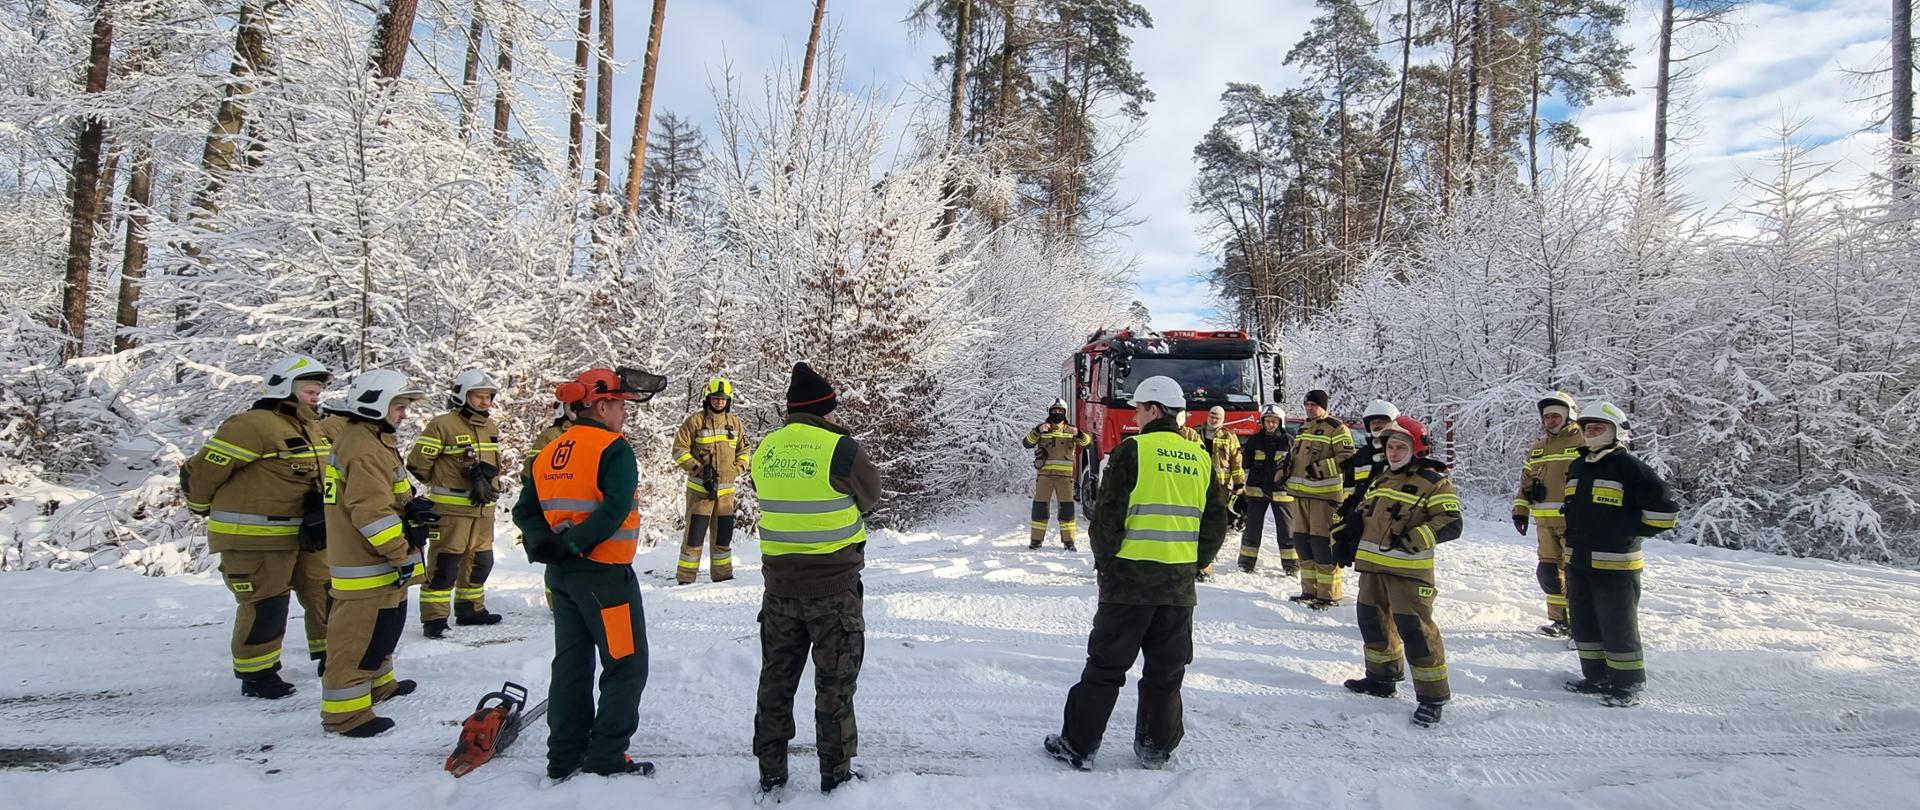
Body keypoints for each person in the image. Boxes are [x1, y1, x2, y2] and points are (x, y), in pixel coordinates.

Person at [1045, 375, 1230, 772]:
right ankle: (1155, 748)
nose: (1135, 415)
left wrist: (1108, 566)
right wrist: (1194, 565)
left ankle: (1079, 745)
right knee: (1166, 671)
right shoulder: (1198, 456)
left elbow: (1106, 516)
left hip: (1128, 583)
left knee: (1106, 667)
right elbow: (1217, 521)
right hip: (1177, 587)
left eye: (1140, 408)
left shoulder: (1134, 450)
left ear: (1155, 410)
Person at [515, 366, 668, 778]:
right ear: (601, 405)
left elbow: (524, 510)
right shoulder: (612, 448)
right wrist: (575, 544)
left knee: (571, 664)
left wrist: (543, 544)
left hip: (561, 578)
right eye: (620, 405)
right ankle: (606, 755)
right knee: (625, 664)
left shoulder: (551, 451)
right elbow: (615, 510)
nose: (624, 414)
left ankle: (563, 755)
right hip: (604, 577)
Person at [750, 362, 883, 795]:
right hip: (833, 590)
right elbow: (870, 496)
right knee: (835, 685)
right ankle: (836, 773)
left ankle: (771, 772)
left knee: (775, 680)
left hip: (779, 591)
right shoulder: (840, 448)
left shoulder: (765, 449)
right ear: (824, 410)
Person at [181, 355, 334, 698]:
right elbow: (204, 472)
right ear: (284, 388)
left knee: (325, 592)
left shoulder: (311, 428)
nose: (316, 397)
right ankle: (258, 674)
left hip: (304, 537)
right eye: (309, 390)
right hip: (255, 539)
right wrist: (199, 506)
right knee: (266, 604)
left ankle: (332, 657)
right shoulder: (250, 426)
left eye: (317, 391)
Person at [319, 369, 430, 737]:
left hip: (377, 563)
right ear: (376, 404)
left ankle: (379, 684)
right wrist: (401, 549)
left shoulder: (370, 440)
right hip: (365, 562)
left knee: (384, 628)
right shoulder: (364, 448)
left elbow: (385, 498)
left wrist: (410, 511)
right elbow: (370, 512)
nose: (404, 414)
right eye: (399, 406)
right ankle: (345, 715)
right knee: (356, 640)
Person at [1338, 415, 1461, 728]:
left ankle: (1433, 697)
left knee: (1416, 631)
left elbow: (1450, 522)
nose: (1393, 452)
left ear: (1415, 447)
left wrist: (1413, 540)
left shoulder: (1434, 481)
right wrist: (1348, 533)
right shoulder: (1382, 479)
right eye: (1390, 446)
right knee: (1373, 622)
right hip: (1374, 570)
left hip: (1409, 572)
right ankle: (1382, 677)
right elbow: (1369, 517)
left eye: (1400, 447)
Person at [1561, 402, 1679, 708]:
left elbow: (1664, 514)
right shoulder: (1578, 466)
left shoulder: (1630, 467)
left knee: (1618, 626)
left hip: (1616, 565)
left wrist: (1626, 529)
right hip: (1578, 561)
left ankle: (1627, 683)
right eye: (1587, 428)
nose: (1590, 433)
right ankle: (1595, 676)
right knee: (1584, 624)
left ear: (1617, 431)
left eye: (1598, 428)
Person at [407, 369, 507, 637]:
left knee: (480, 561)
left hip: (484, 509)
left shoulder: (490, 426)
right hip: (451, 510)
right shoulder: (442, 425)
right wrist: (448, 481)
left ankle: (471, 609)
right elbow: (417, 465)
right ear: (463, 396)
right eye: (478, 396)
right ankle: (435, 619)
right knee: (445, 563)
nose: (485, 402)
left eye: (488, 397)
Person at [670, 378, 753, 584]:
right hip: (701, 492)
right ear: (708, 399)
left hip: (726, 495)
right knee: (694, 536)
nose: (719, 402)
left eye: (723, 399)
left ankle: (723, 575)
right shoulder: (695, 421)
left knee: (723, 538)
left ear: (728, 401)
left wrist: (738, 468)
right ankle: (686, 578)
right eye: (715, 399)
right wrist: (697, 468)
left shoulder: (735, 424)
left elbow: (745, 449)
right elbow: (679, 450)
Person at [1514, 392, 1583, 637]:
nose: (1550, 421)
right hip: (1544, 523)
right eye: (1547, 417)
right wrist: (1520, 511)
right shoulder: (1537, 450)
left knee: (1577, 576)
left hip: (1576, 523)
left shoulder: (1584, 442)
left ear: (1569, 416)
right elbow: (1525, 482)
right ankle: (1559, 621)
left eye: (1556, 416)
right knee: (1549, 574)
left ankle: (1582, 624)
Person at [1285, 389, 1356, 608]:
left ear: (1323, 406)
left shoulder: (1336, 428)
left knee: (1322, 545)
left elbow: (1347, 458)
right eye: (1307, 405)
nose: (1309, 408)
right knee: (1302, 544)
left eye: (1313, 405)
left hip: (1324, 498)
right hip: (1300, 495)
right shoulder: (1304, 427)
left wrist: (1321, 468)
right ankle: (1309, 590)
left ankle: (1329, 594)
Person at [1023, 397, 1091, 551]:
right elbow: (1027, 443)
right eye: (1054, 411)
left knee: (1067, 509)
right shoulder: (1043, 429)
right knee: (1040, 508)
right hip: (1045, 477)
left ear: (1065, 412)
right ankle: (1036, 541)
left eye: (1060, 411)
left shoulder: (1070, 430)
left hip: (1065, 478)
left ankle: (1069, 542)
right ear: (1049, 412)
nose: (1057, 413)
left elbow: (1088, 443)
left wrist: (1079, 433)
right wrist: (1036, 431)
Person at [1236, 404, 1296, 574]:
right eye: (1267, 421)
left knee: (1287, 531)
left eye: (1274, 421)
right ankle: (1246, 563)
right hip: (1257, 493)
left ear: (1280, 422)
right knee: (1252, 530)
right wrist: (1244, 489)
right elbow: (1245, 466)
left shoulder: (1289, 442)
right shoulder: (1254, 441)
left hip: (1282, 493)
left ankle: (1291, 565)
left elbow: (1294, 468)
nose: (1270, 424)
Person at [1196, 405, 1244, 578]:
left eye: (1217, 417)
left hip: (1220, 486)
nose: (1213, 419)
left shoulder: (1229, 437)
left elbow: (1236, 461)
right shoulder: (1195, 433)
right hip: (1198, 482)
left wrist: (1239, 484)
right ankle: (1197, 558)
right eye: (1211, 415)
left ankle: (1208, 557)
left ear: (1222, 419)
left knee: (1214, 521)